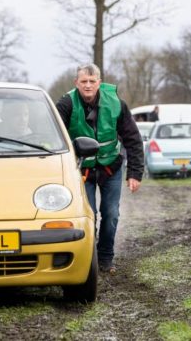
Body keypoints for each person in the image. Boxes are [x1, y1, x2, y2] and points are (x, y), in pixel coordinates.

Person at [55, 63, 144, 274]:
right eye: (83, 81)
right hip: (81, 171)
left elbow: (132, 138)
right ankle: (89, 259)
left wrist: (135, 173)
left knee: (111, 214)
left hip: (111, 168)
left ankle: (106, 258)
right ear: (76, 83)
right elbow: (53, 135)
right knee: (89, 215)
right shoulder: (66, 104)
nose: (88, 86)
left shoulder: (116, 104)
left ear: (99, 83)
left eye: (92, 81)